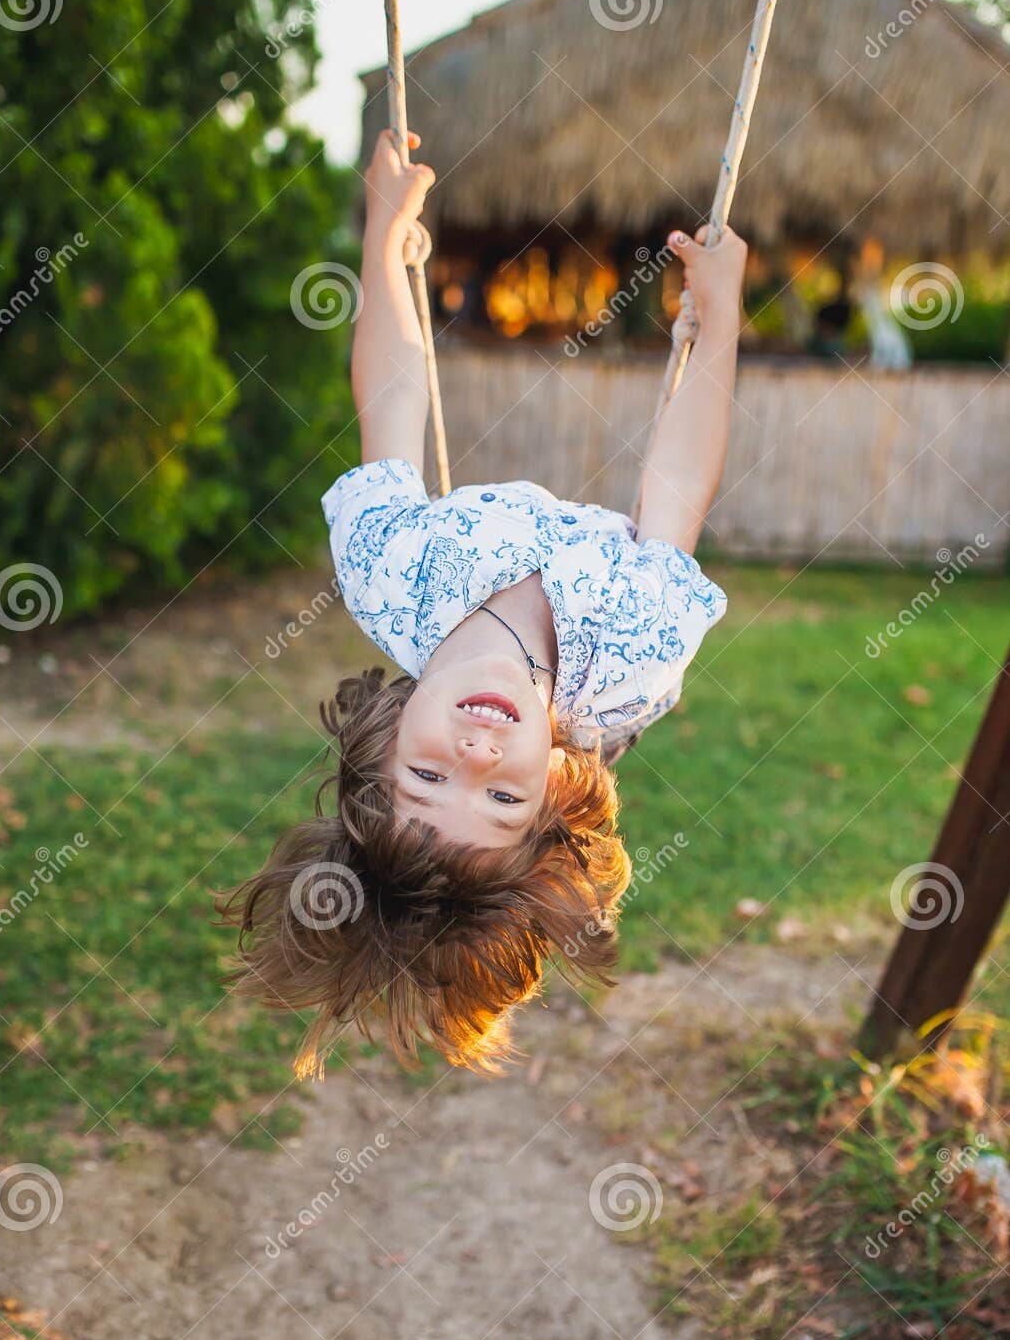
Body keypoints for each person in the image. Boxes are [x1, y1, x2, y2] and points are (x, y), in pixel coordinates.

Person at [221, 132, 745, 1077]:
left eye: (426, 780)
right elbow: (676, 488)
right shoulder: (631, 657)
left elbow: (392, 400)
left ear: (379, 746)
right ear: (552, 787)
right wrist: (721, 321)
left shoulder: (394, 578)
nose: (471, 757)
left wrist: (383, 237)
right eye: (501, 798)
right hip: (609, 574)